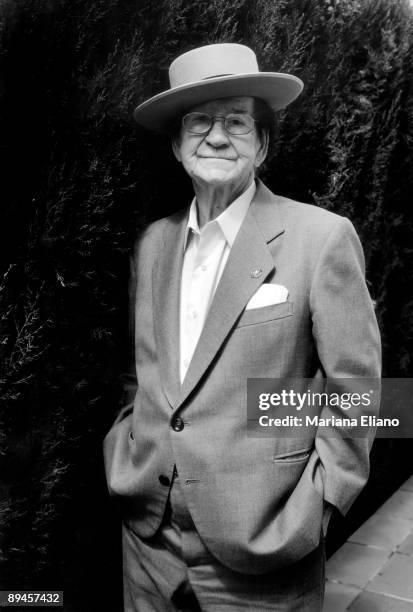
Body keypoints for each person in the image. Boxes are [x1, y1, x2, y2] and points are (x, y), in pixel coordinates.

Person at [104, 42, 381, 611]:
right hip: (148, 540)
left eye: (236, 121)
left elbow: (357, 390)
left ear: (263, 144)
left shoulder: (320, 238)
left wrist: (321, 502)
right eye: (199, 121)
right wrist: (124, 448)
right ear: (179, 145)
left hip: (265, 544)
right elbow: (139, 373)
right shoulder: (152, 243)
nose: (216, 136)